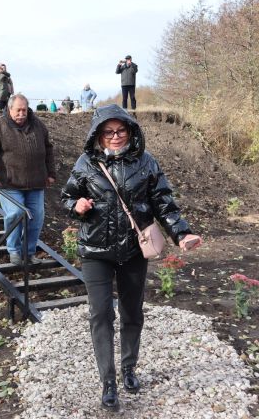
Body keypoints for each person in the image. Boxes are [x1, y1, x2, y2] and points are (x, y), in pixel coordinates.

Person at [60, 104, 202, 410]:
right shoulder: (86, 163)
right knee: (100, 315)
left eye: (120, 130)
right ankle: (108, 382)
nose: (114, 137)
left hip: (133, 250)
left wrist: (182, 233)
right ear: (98, 134)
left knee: (132, 313)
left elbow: (164, 202)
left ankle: (129, 368)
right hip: (95, 252)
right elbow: (66, 197)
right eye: (108, 132)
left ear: (130, 131)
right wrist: (77, 206)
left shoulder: (146, 163)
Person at [0, 93, 55, 265]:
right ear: (9, 109)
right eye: (18, 110)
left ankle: (29, 253)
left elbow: (48, 149)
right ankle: (13, 250)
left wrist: (51, 173)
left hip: (36, 183)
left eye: (24, 110)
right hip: (10, 183)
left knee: (36, 218)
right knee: (15, 213)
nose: (21, 114)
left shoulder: (38, 125)